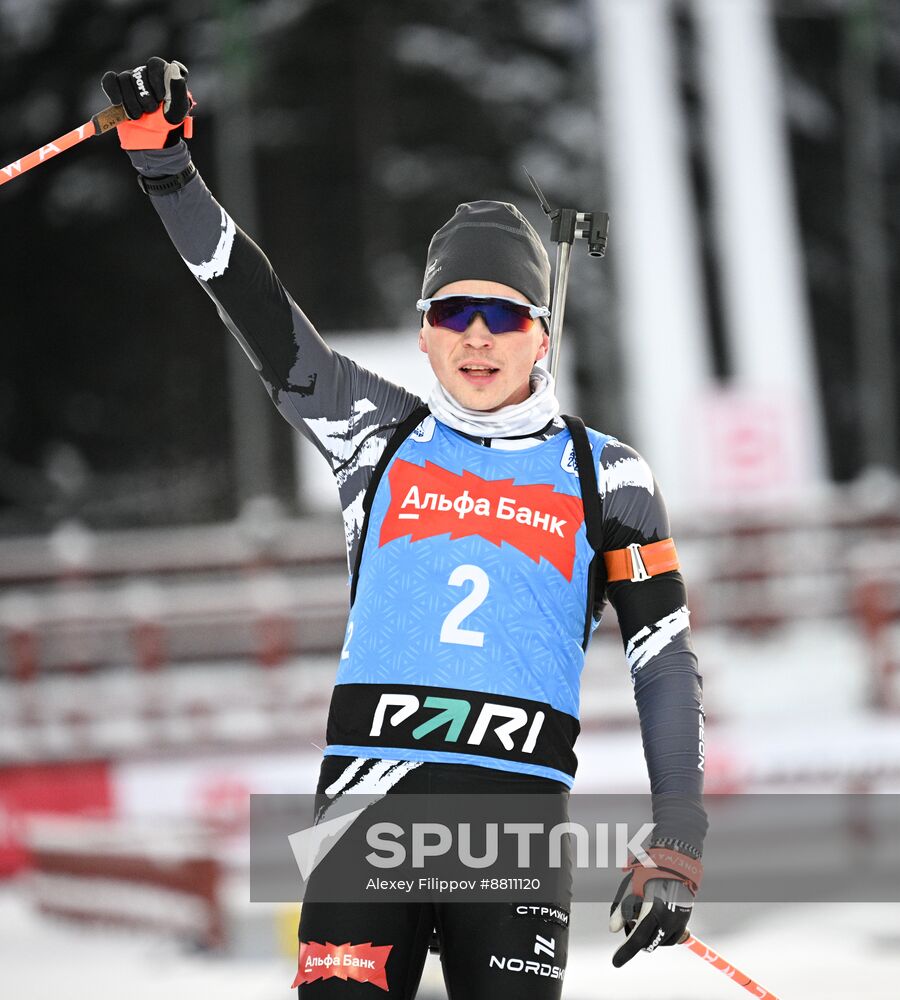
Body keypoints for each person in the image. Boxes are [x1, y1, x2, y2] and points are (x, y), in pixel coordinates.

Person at [101, 58, 707, 998]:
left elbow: (662, 659)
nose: (477, 336)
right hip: (362, 818)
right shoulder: (375, 436)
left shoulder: (608, 473)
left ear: (543, 334)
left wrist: (678, 840)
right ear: (422, 331)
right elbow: (256, 309)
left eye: (504, 313)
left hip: (512, 831)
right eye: (452, 311)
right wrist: (168, 172)